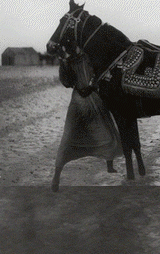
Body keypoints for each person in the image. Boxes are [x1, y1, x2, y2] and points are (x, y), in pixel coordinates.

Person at [51, 53, 122, 192]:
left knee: (106, 128)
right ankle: (56, 176)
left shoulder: (89, 54)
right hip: (80, 99)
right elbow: (67, 82)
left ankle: (109, 164)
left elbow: (101, 73)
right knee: (69, 136)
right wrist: (64, 63)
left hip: (92, 96)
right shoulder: (70, 58)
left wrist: (91, 86)